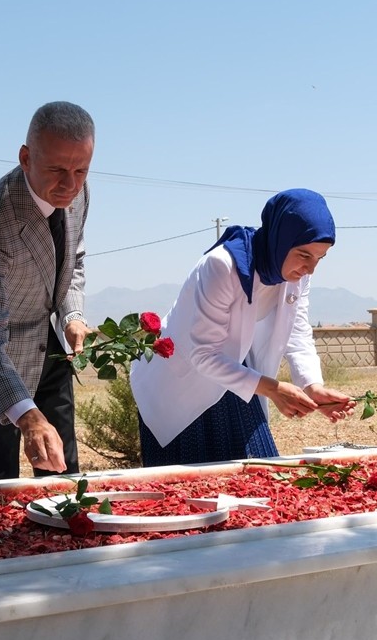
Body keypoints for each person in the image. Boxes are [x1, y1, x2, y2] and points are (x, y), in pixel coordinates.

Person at [129, 188, 356, 467]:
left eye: (319, 258)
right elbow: (203, 354)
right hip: (183, 381)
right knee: (189, 488)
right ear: (280, 239)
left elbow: (296, 331)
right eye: (304, 255)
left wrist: (312, 386)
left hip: (237, 375)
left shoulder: (294, 273)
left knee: (258, 474)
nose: (310, 269)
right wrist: (273, 389)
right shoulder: (222, 266)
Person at [0, 101, 95, 481]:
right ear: (25, 158)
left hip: (50, 353)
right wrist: (26, 416)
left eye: (81, 170)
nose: (70, 185)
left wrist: (72, 314)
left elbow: (73, 260)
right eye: (57, 169)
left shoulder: (77, 192)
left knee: (64, 479)